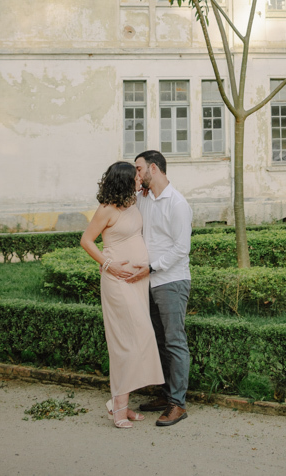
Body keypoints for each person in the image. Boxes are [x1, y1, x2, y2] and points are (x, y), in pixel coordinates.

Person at [80, 160, 164, 429]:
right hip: (117, 281)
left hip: (137, 281)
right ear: (124, 180)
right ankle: (118, 408)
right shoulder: (106, 210)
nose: (140, 179)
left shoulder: (134, 202)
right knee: (128, 342)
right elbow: (86, 240)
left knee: (136, 341)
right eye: (135, 176)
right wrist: (108, 264)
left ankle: (121, 404)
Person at [127, 150, 192, 427]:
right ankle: (166, 396)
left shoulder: (177, 203)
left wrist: (152, 267)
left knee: (175, 342)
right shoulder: (143, 199)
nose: (136, 174)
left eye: (139, 169)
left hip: (171, 281)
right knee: (160, 342)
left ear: (154, 168)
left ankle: (178, 404)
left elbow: (182, 248)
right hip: (148, 281)